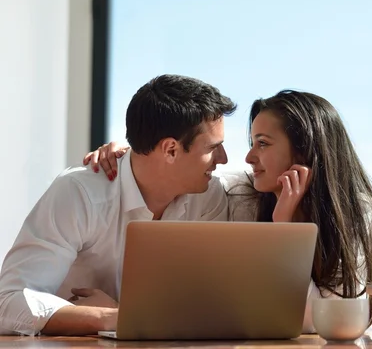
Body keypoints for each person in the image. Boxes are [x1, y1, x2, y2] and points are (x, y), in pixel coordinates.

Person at [86, 90, 372, 332]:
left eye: (262, 144)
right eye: (251, 143)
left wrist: (283, 229)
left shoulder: (353, 211)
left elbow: (321, 320)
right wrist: (130, 153)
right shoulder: (243, 195)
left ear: (303, 150)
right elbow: (174, 167)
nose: (248, 157)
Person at [0, 74, 236, 336]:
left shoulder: (209, 196)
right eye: (214, 147)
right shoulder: (80, 193)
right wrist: (108, 317)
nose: (223, 159)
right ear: (170, 149)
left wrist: (120, 312)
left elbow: (206, 307)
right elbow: (9, 303)